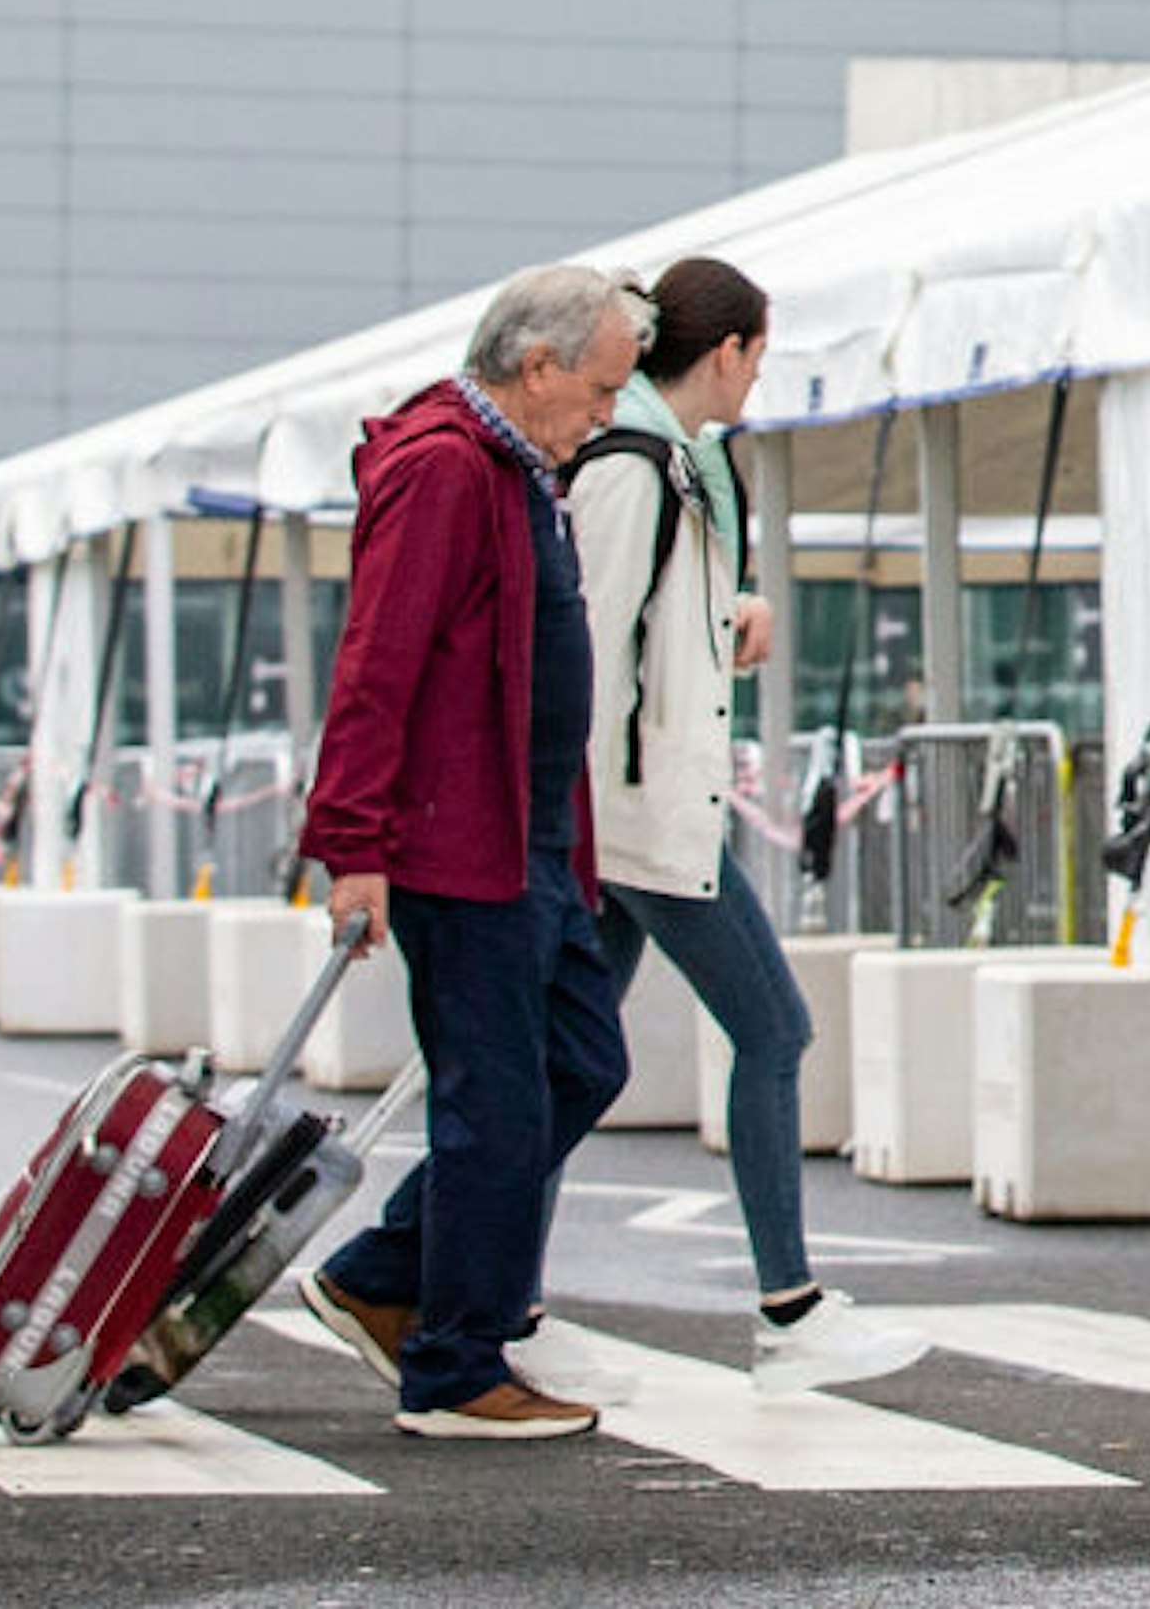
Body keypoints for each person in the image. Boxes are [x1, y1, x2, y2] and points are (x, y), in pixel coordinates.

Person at [293, 265, 647, 1440]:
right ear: (537, 366)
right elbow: (376, 660)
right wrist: (352, 843)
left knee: (580, 1064)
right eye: (599, 389)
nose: (606, 414)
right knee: (494, 1102)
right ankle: (454, 1363)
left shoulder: (510, 467)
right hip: (465, 848)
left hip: (534, 844)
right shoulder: (444, 466)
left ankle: (388, 1275)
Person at [564, 255, 926, 1395]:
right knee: (773, 1030)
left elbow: (644, 630)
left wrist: (727, 612)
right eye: (758, 358)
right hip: (643, 817)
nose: (757, 379)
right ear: (724, 352)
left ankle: (483, 1294)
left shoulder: (672, 461)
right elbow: (592, 641)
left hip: (637, 813)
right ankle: (789, 1307)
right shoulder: (638, 466)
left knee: (566, 1066)